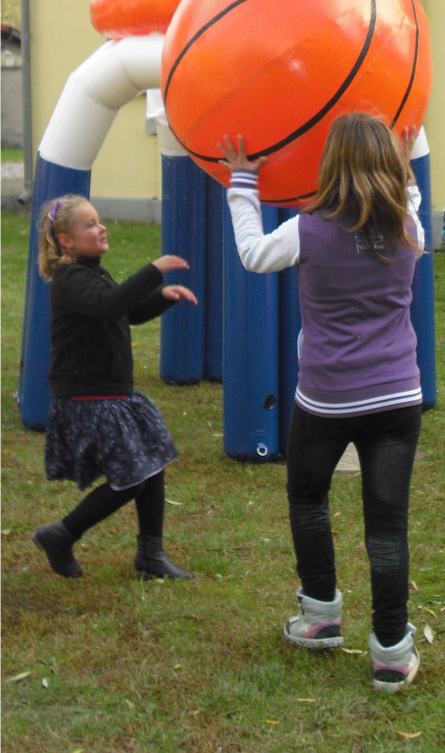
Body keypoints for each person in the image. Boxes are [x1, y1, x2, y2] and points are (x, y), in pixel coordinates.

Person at [219, 112, 424, 692]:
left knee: (308, 498)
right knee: (386, 526)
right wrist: (406, 174)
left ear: (328, 162)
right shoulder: (408, 224)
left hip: (328, 400)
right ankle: (390, 650)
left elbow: (254, 255)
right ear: (387, 161)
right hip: (396, 400)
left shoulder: (307, 230)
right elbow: (405, 200)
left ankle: (320, 618)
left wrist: (242, 183)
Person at [33, 195, 198, 582]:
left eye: (99, 220)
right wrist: (153, 272)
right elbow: (109, 305)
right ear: (67, 241)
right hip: (87, 398)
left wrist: (160, 298)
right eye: (89, 224)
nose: (101, 227)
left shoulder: (92, 273)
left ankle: (151, 554)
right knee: (134, 476)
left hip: (112, 393)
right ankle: (61, 533)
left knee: (152, 462)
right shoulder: (70, 279)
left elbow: (122, 310)